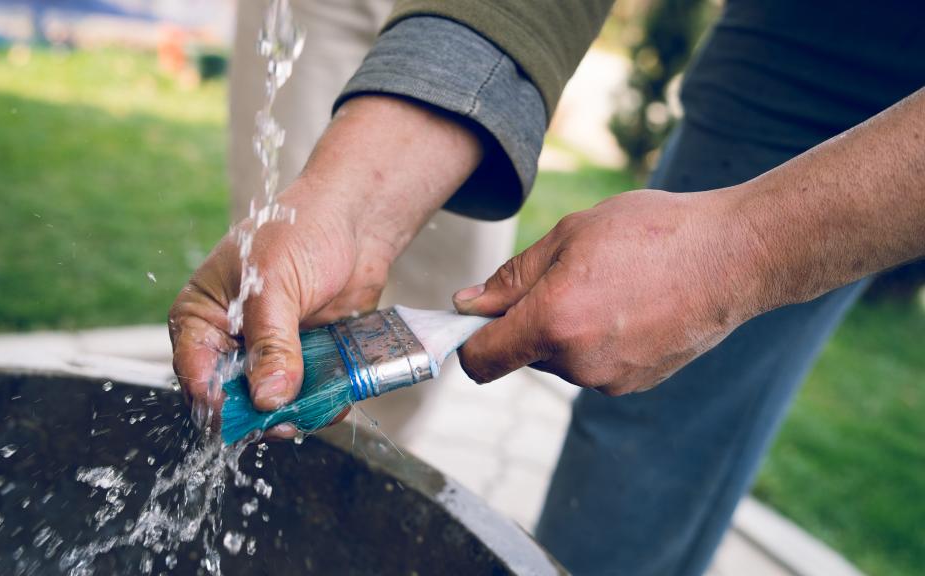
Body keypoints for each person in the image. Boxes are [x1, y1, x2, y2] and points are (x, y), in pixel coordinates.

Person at [170, 1, 925, 574]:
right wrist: (348, 205)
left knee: (676, 369)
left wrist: (741, 249)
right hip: (814, 26)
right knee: (639, 436)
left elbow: (732, 254)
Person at [226, 0, 518, 443]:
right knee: (284, 258)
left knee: (462, 269)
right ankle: (256, 447)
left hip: (503, 21)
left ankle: (356, 464)